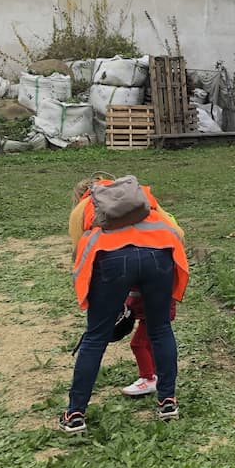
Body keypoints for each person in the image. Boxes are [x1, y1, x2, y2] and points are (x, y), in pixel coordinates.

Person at [61, 176, 189, 434]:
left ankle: (75, 414)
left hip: (111, 259)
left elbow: (78, 250)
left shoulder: (83, 208)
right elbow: (177, 231)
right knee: (161, 328)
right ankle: (168, 402)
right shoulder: (140, 196)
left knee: (95, 337)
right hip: (161, 250)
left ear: (83, 195)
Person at [119, 290, 178, 397]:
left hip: (153, 310)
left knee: (138, 344)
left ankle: (148, 378)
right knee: (149, 343)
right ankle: (155, 375)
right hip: (152, 309)